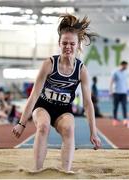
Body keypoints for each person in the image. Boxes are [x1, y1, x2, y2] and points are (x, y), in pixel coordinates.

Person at [12, 14, 101, 172]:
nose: (68, 47)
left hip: (63, 111)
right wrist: (21, 123)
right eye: (64, 43)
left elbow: (88, 104)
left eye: (72, 44)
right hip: (43, 107)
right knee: (43, 126)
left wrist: (93, 132)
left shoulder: (81, 70)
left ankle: (66, 171)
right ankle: (37, 170)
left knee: (69, 129)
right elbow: (33, 96)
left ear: (78, 45)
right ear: (59, 44)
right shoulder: (49, 64)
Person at [109, 61, 128, 127]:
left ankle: (125, 120)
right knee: (115, 107)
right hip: (116, 92)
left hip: (124, 93)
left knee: (124, 106)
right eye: (125, 66)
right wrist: (110, 90)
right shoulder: (115, 72)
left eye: (127, 66)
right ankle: (115, 120)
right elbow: (111, 81)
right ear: (122, 65)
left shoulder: (126, 72)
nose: (126, 67)